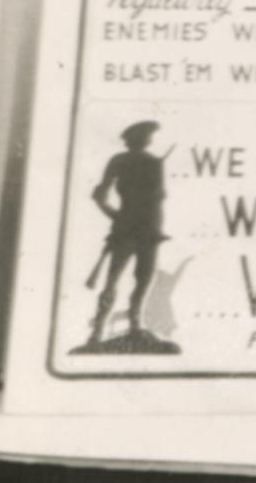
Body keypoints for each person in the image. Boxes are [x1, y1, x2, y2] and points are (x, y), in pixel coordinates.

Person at [86, 120, 166, 344]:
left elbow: (100, 197)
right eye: (146, 135)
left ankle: (131, 326)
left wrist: (117, 217)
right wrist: (117, 217)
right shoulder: (144, 162)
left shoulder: (148, 162)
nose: (149, 139)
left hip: (145, 229)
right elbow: (100, 196)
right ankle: (100, 331)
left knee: (140, 279)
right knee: (121, 279)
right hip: (141, 229)